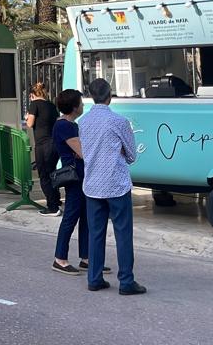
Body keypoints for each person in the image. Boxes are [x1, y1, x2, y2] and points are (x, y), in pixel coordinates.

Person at [78, 78, 146, 295]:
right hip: (116, 184)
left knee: (95, 233)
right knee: (123, 234)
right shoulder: (119, 122)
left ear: (91, 96)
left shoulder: (83, 122)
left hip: (92, 185)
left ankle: (94, 278)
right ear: (110, 95)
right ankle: (126, 281)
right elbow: (132, 155)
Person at [51, 89, 109, 276]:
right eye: (81, 103)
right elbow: (84, 152)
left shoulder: (71, 125)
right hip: (75, 177)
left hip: (83, 175)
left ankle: (86, 257)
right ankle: (60, 258)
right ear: (74, 107)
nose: (84, 105)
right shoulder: (64, 126)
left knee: (86, 216)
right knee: (71, 216)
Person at [27, 82, 61, 215]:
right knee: (53, 174)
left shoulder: (34, 104)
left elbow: (30, 123)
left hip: (42, 144)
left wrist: (27, 116)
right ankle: (57, 200)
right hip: (54, 144)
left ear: (32, 95)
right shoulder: (52, 106)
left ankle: (52, 207)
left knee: (44, 176)